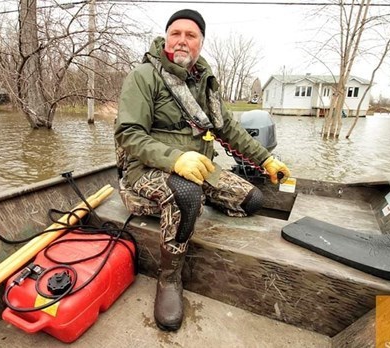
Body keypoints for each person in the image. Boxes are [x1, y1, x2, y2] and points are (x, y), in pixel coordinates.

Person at [114, 9, 291, 331]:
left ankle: (190, 205)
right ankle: (168, 279)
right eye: (175, 33)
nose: (181, 40)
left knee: (251, 200)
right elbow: (129, 135)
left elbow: (229, 130)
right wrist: (173, 159)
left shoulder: (205, 82)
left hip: (200, 167)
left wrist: (266, 160)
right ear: (166, 38)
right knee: (185, 193)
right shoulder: (143, 76)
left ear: (201, 42)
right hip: (150, 168)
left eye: (190, 35)